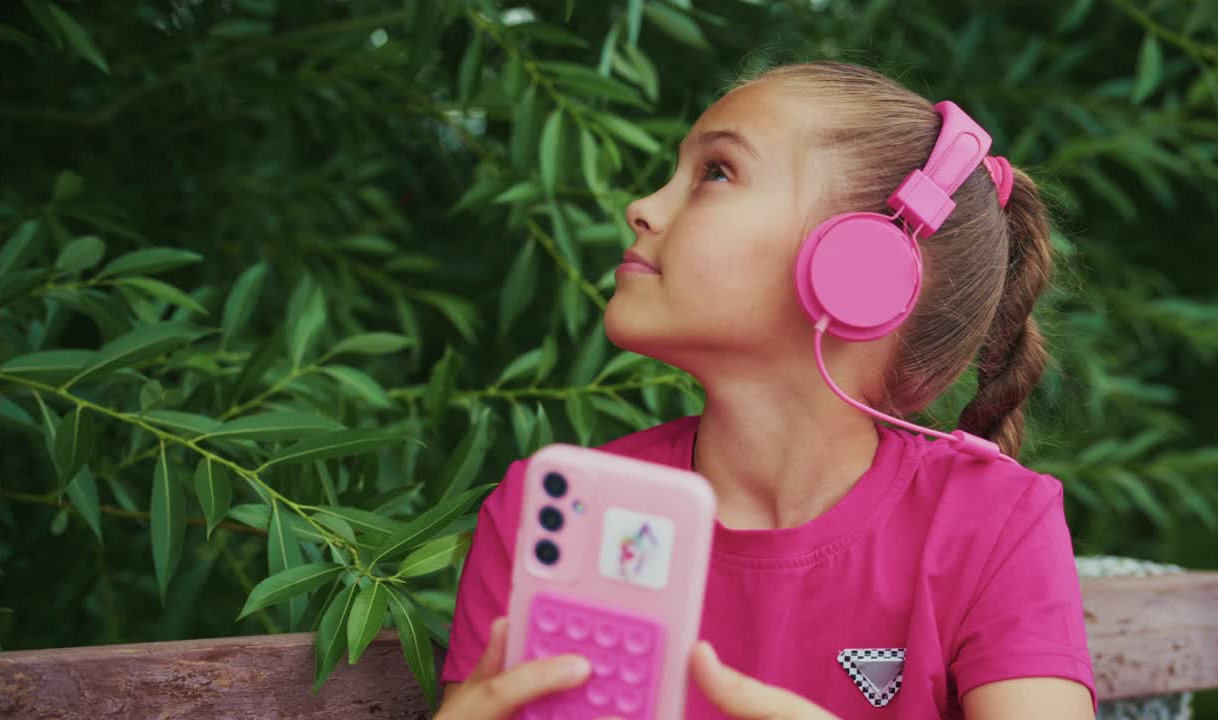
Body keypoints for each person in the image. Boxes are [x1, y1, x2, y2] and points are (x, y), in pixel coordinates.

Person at [435, 61, 1098, 719]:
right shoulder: (555, 513)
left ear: (862, 269)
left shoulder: (991, 522)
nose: (641, 208)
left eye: (716, 172)